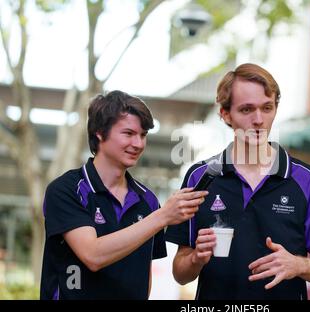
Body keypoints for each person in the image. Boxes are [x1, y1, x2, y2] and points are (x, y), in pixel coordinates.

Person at [165, 63, 310, 300]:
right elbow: (180, 274)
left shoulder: (305, 179)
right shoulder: (200, 177)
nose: (259, 119)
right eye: (247, 110)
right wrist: (195, 259)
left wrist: (298, 265)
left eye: (267, 108)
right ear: (225, 114)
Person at [40, 90, 208, 300]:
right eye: (128, 133)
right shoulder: (66, 189)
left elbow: (142, 280)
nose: (138, 144)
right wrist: (163, 216)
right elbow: (93, 255)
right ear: (100, 133)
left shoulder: (148, 201)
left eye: (143, 135)